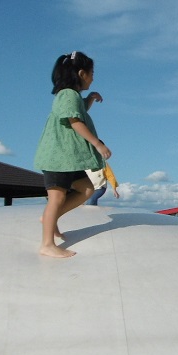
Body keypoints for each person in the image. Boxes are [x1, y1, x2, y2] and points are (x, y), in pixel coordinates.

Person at [34, 51, 112, 258]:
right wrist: (97, 144)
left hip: (69, 159)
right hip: (58, 157)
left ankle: (50, 218)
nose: (93, 77)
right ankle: (47, 244)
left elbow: (78, 111)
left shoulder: (72, 96)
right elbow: (75, 120)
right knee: (57, 198)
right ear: (81, 73)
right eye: (91, 73)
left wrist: (90, 99)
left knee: (87, 189)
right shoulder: (67, 94)